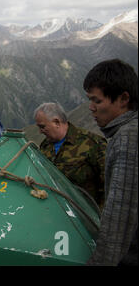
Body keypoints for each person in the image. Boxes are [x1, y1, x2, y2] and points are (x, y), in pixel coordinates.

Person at [83, 59, 138, 266]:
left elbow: (120, 221)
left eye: (97, 101)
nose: (91, 108)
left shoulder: (128, 138)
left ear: (123, 99)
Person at [34, 102, 106, 207]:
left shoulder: (93, 144)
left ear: (56, 122)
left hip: (86, 214)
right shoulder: (45, 146)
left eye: (42, 127)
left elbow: (109, 186)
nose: (40, 132)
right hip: (56, 209)